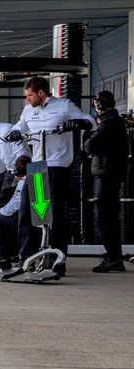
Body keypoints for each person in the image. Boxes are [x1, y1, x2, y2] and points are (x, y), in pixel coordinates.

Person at [5, 76, 97, 273]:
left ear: (41, 93)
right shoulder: (29, 110)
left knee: (53, 214)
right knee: (29, 211)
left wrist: (76, 124)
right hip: (37, 165)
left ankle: (56, 261)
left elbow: (91, 121)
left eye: (30, 95)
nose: (27, 99)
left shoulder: (63, 106)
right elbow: (17, 128)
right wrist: (11, 134)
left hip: (57, 165)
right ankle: (25, 258)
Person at [83, 91, 128, 273]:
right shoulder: (115, 122)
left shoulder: (107, 124)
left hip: (106, 175)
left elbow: (89, 146)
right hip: (112, 174)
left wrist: (87, 133)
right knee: (110, 217)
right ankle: (114, 257)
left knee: (104, 217)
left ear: (100, 105)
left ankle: (113, 257)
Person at [0, 155, 31, 271]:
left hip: (28, 225)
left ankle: (2, 259)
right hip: (40, 224)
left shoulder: (23, 182)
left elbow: (13, 206)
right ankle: (13, 253)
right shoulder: (38, 178)